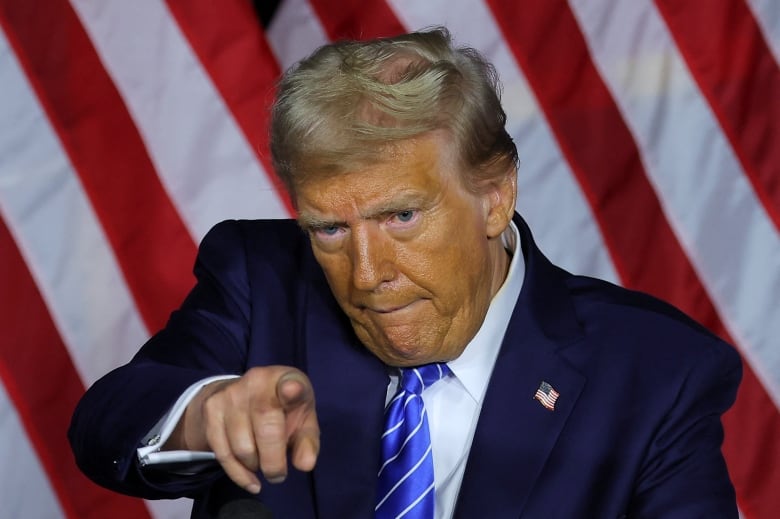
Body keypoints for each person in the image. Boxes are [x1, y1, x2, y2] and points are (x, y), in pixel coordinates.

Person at [69, 28, 741, 518]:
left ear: (495, 195)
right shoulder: (264, 280)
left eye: (401, 217)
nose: (366, 275)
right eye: (329, 228)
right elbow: (108, 421)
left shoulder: (657, 372)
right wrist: (208, 411)